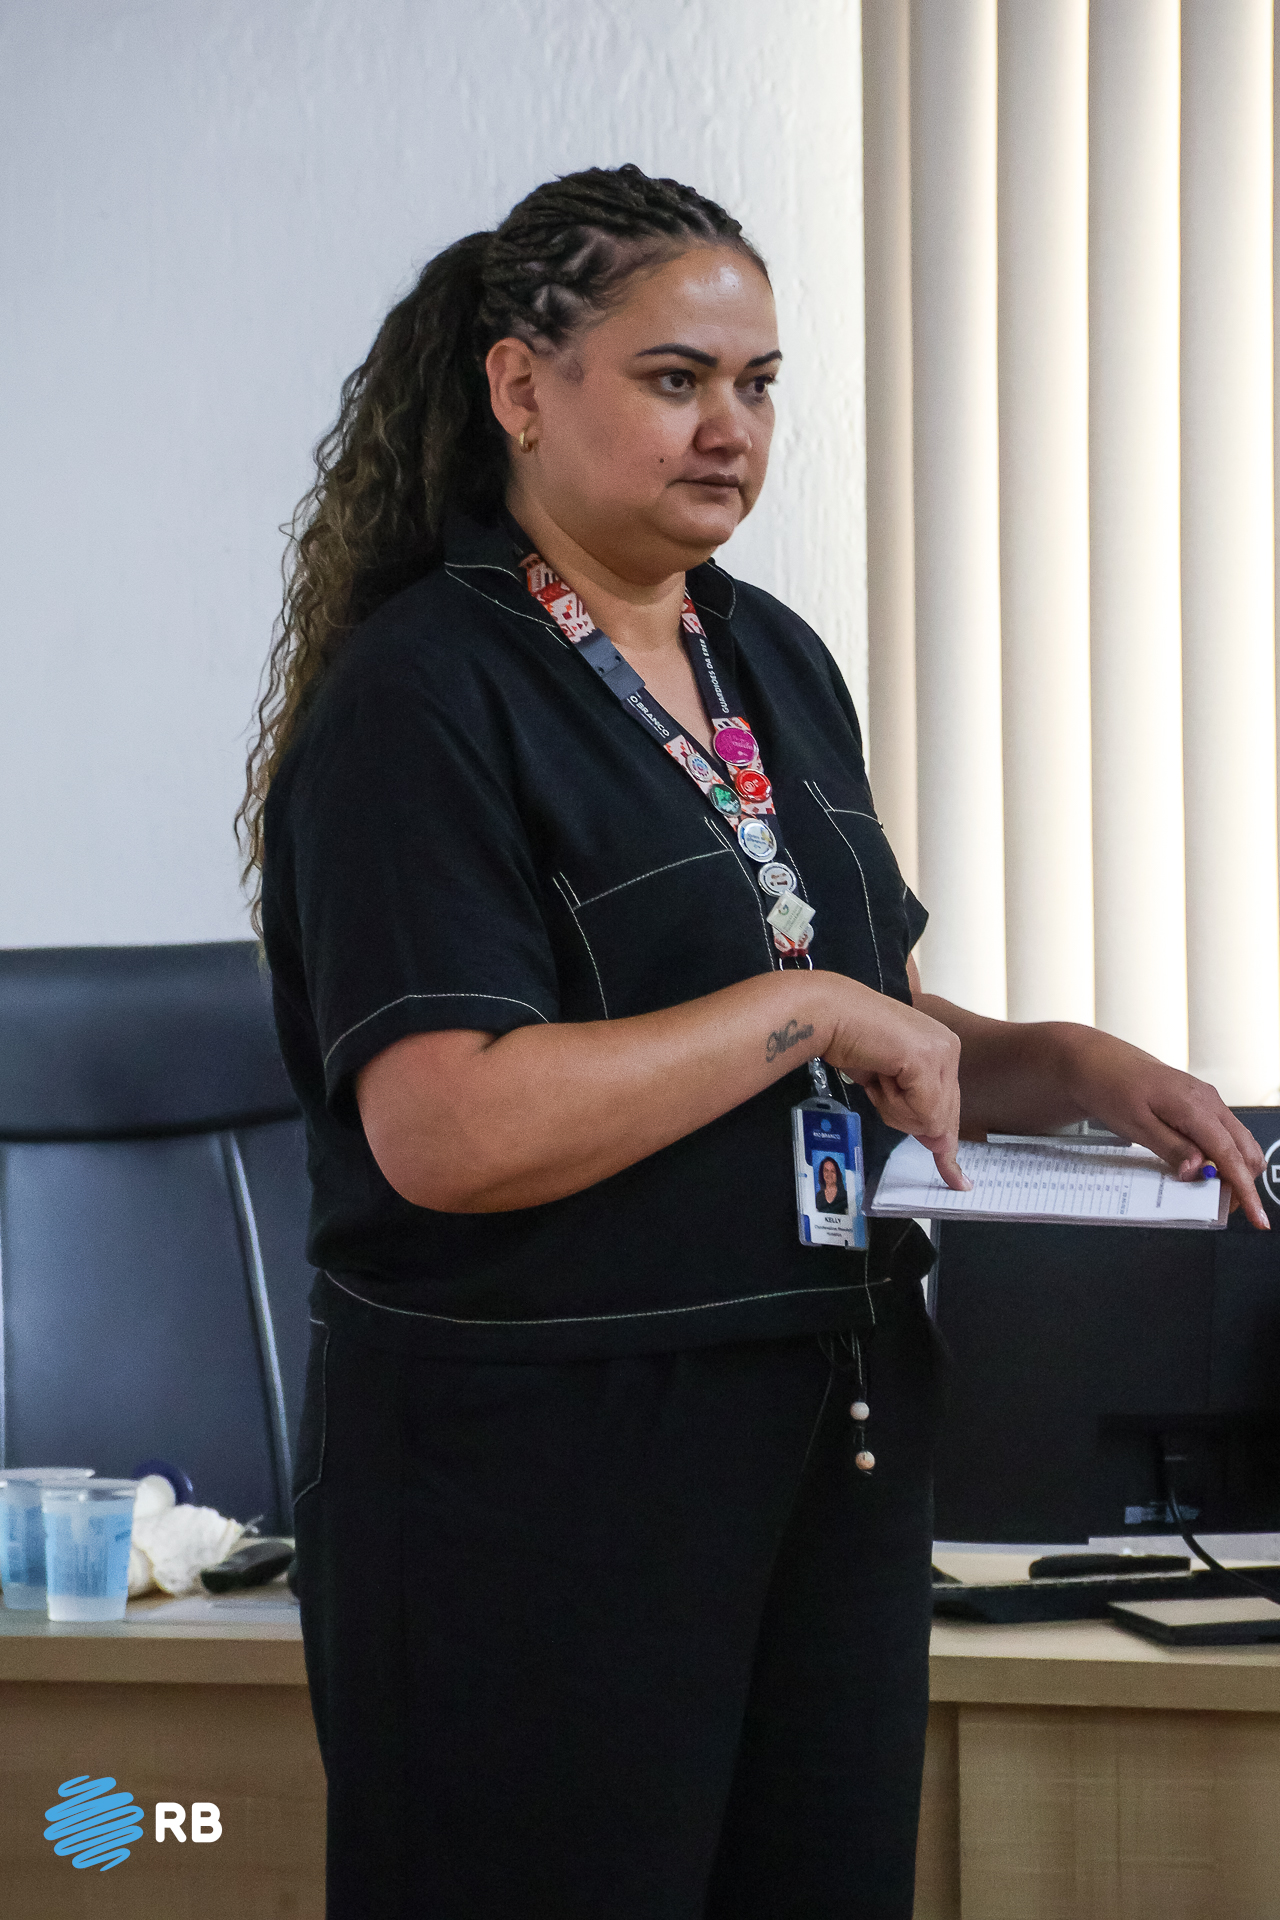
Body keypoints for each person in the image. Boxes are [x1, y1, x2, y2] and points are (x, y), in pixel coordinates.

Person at [239, 164, 1267, 1920]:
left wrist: (1065, 1066)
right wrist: (810, 1011)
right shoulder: (422, 697)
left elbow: (866, 1016)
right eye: (677, 380)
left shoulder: (767, 658)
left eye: (760, 383)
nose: (732, 429)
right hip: (544, 1478)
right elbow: (450, 1129)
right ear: (520, 388)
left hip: (825, 1433)